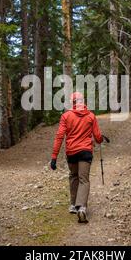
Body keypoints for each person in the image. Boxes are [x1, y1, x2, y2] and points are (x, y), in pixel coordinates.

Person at [50, 92, 104, 223]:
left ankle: (74, 205)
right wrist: (101, 139)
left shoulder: (66, 116)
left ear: (72, 102)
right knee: (84, 179)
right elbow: (97, 137)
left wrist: (54, 157)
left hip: (72, 152)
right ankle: (82, 208)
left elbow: (59, 136)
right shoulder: (91, 116)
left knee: (73, 176)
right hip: (85, 151)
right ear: (82, 101)